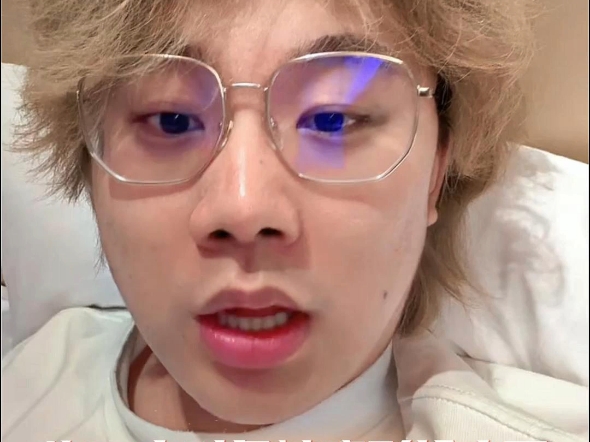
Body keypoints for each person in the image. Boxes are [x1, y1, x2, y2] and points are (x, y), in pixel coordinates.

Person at [1, 0, 587, 441]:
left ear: (436, 170)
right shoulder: (32, 377)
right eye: (171, 120)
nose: (244, 208)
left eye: (333, 119)